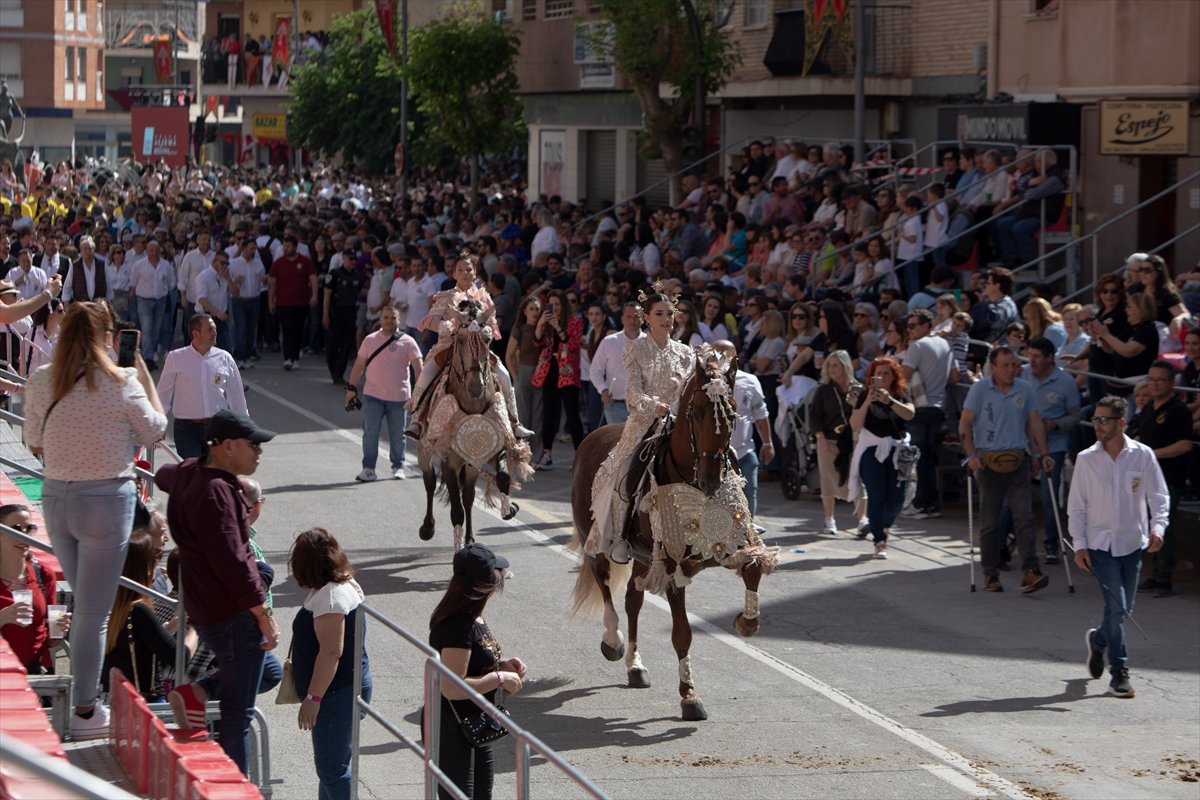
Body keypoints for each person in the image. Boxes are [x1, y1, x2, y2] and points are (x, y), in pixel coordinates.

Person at [23, 301, 167, 739]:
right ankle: (86, 709)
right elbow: (157, 430)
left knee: (84, 604)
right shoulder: (121, 380)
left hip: (57, 496)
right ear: (109, 338)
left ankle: (86, 701)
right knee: (93, 611)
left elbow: (33, 441)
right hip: (106, 500)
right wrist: (142, 375)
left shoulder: (42, 379)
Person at [154, 410, 280, 775]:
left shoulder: (191, 474)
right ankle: (234, 788)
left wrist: (188, 468)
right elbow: (236, 562)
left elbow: (163, 474)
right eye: (254, 445)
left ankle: (197, 693)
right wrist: (264, 616)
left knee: (240, 706)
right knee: (236, 719)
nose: (260, 452)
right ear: (227, 447)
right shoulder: (219, 493)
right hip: (234, 616)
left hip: (207, 610)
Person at [1068, 395, 1169, 699]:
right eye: (1095, 419)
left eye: (1103, 420)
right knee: (1118, 606)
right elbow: (1077, 507)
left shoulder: (1143, 455)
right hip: (1100, 546)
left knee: (1122, 610)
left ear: (1121, 422)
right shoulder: (1087, 459)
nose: (1097, 424)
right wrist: (1080, 545)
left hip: (1132, 544)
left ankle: (1098, 641)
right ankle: (1119, 672)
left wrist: (1158, 528)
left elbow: (1159, 498)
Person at [587, 285, 694, 564]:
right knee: (623, 472)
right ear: (646, 317)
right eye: (659, 313)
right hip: (644, 424)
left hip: (679, 425)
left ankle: (733, 523)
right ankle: (620, 536)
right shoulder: (634, 349)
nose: (666, 319)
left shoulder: (686, 352)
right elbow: (633, 393)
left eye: (670, 313)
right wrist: (654, 406)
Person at [429, 543, 526, 800]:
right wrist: (498, 679)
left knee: (482, 795)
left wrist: (501, 664)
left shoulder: (473, 617)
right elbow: (451, 687)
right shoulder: (459, 627)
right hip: (453, 727)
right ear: (486, 586)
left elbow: (471, 660)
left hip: (475, 722)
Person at [407, 255, 532, 442]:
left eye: (469, 269)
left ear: (475, 272)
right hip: (450, 346)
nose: (465, 273)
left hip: (479, 349)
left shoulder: (485, 298)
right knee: (427, 373)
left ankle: (514, 423)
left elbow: (492, 322)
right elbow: (430, 321)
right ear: (454, 273)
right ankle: (417, 420)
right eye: (460, 270)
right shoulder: (447, 296)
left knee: (504, 376)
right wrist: (444, 327)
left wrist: (487, 329)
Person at [960, 346, 1054, 594]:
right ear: (993, 367)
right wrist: (971, 454)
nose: (1011, 370)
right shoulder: (979, 389)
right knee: (989, 522)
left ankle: (1030, 571)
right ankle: (990, 573)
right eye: (1006, 365)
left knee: (1024, 517)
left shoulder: (1025, 389)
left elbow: (1034, 423)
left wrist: (1041, 454)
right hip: (988, 462)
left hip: (1018, 459)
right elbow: (965, 424)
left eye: (1014, 365)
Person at [290, 528, 371, 800]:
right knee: (331, 768)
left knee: (331, 769)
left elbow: (331, 653)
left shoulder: (331, 598)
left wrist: (313, 697)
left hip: (334, 695)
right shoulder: (338, 587)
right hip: (340, 691)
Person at [101, 531, 197, 702]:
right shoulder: (139, 610)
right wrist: (197, 626)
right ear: (145, 567)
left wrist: (167, 628)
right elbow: (180, 658)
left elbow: (140, 646)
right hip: (146, 705)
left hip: (122, 701)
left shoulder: (117, 607)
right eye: (157, 555)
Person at [1131, 361, 1193, 599]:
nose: (1154, 385)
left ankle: (1165, 579)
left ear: (1170, 383)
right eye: (1151, 379)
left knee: (1163, 526)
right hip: (1145, 477)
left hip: (1169, 478)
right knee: (1148, 525)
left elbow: (1184, 445)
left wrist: (1152, 454)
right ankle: (1155, 574)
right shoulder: (1148, 408)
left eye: (1160, 380)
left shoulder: (1179, 410)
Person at [345, 305, 423, 482]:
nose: (389, 321)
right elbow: (359, 365)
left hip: (399, 397)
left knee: (398, 434)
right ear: (380, 320)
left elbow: (419, 368)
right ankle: (368, 469)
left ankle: (398, 466)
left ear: (399, 320)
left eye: (393, 318)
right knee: (370, 433)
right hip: (373, 396)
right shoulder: (370, 340)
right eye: (386, 317)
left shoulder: (408, 341)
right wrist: (351, 388)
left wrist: (419, 394)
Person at [848, 357, 915, 558]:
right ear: (872, 377)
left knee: (898, 498)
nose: (883, 377)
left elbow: (910, 414)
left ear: (894, 376)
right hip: (872, 450)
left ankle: (883, 526)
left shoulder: (902, 393)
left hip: (898, 451)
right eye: (879, 374)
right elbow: (855, 423)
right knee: (876, 496)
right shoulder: (864, 394)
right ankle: (879, 540)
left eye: (887, 373)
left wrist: (890, 401)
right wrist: (868, 400)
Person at [157, 314, 248, 459]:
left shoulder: (225, 358)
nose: (214, 333)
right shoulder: (176, 357)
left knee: (213, 474)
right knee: (194, 472)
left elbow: (236, 397)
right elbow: (163, 394)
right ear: (196, 334)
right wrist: (158, 423)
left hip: (217, 428)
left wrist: (244, 427)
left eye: (215, 329)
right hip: (186, 430)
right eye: (210, 329)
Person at [901, 308, 956, 520]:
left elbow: (903, 376)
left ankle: (924, 503)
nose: (910, 330)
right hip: (939, 408)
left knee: (919, 458)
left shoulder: (917, 346)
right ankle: (928, 503)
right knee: (926, 458)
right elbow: (953, 377)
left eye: (913, 326)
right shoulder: (946, 345)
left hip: (920, 407)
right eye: (908, 326)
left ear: (926, 326)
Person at [806, 350, 868, 535]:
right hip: (828, 440)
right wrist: (820, 437)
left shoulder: (857, 388)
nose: (832, 369)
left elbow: (865, 413)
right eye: (829, 365)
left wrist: (856, 404)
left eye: (836, 365)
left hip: (853, 440)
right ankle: (829, 520)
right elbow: (814, 415)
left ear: (845, 366)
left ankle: (863, 519)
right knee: (828, 480)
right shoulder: (824, 389)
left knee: (858, 479)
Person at [0, 504, 67, 675]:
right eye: (16, 529)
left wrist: (59, 630)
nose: (24, 535)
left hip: (36, 672)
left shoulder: (43, 574)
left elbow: (52, 641)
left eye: (29, 528)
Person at [713, 340, 773, 516]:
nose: (720, 358)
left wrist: (768, 443)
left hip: (744, 452)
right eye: (716, 354)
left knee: (748, 495)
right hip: (713, 456)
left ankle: (750, 534)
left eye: (725, 354)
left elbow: (761, 415)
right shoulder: (702, 383)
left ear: (735, 357)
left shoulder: (750, 381)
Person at [589, 301, 646, 428]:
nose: (632, 320)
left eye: (636, 316)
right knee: (617, 445)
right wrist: (603, 389)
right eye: (628, 316)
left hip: (641, 407)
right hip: (614, 405)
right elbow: (595, 370)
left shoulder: (650, 344)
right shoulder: (609, 342)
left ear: (643, 319)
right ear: (622, 319)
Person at [268, 235, 318, 371]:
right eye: (284, 246)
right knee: (287, 330)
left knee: (298, 330)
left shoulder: (305, 261)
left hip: (301, 303)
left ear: (295, 247)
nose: (286, 248)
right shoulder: (278, 263)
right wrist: (270, 300)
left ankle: (295, 357)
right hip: (283, 303)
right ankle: (287, 358)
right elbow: (272, 282)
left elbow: (313, 278)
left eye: (288, 246)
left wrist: (314, 295)